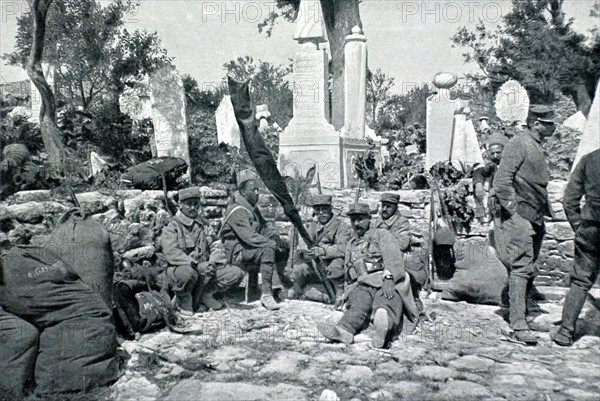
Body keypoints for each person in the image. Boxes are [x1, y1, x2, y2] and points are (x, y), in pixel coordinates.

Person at [492, 105, 557, 344]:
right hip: (520, 215)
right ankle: (517, 326)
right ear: (536, 123)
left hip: (535, 215)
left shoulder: (535, 145)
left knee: (527, 267)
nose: (553, 127)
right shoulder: (518, 143)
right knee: (521, 267)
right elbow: (502, 182)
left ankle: (522, 312)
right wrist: (515, 213)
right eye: (549, 123)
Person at [318, 203, 416, 348]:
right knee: (358, 303)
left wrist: (389, 278)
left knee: (386, 301)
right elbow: (350, 274)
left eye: (360, 219)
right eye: (353, 220)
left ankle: (382, 331)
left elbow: (393, 258)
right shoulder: (352, 243)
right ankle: (345, 331)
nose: (356, 223)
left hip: (386, 280)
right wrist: (345, 294)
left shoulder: (381, 234)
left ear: (369, 219)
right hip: (363, 284)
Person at [160, 187, 244, 315]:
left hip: (204, 271)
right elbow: (171, 253)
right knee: (186, 273)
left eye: (196, 204)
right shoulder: (172, 225)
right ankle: (184, 299)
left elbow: (216, 245)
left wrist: (213, 263)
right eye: (189, 204)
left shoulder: (204, 224)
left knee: (235, 273)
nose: (193, 208)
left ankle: (206, 294)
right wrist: (196, 264)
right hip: (181, 270)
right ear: (180, 204)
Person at [219, 169, 292, 310]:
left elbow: (264, 227)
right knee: (268, 248)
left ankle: (277, 286)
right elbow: (249, 237)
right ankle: (266, 294)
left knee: (281, 245)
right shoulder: (237, 210)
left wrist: (276, 237)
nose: (257, 193)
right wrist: (271, 243)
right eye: (254, 190)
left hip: (248, 248)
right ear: (242, 191)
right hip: (236, 252)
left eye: (258, 189)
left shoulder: (252, 209)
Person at [553, 149, 600, 346]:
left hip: (590, 229)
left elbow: (569, 200)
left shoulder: (589, 159)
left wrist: (578, 226)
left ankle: (565, 332)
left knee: (581, 281)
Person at [288, 194, 352, 303]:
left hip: (331, 266)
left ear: (331, 209)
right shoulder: (312, 226)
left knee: (337, 265)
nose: (321, 212)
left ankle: (338, 294)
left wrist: (323, 251)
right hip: (315, 265)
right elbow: (302, 244)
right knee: (299, 269)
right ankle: (298, 291)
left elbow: (343, 248)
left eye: (325, 208)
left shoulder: (342, 227)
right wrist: (305, 253)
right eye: (318, 209)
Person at [373, 193, 426, 308]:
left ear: (396, 207)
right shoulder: (377, 221)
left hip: (397, 258)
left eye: (388, 206)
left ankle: (412, 298)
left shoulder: (402, 222)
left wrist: (384, 241)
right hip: (379, 257)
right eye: (383, 206)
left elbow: (402, 244)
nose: (384, 209)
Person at [473, 133, 509, 223]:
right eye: (492, 153)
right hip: (497, 210)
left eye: (498, 152)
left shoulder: (512, 165)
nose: (495, 156)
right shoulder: (493, 166)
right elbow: (479, 171)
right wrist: (478, 184)